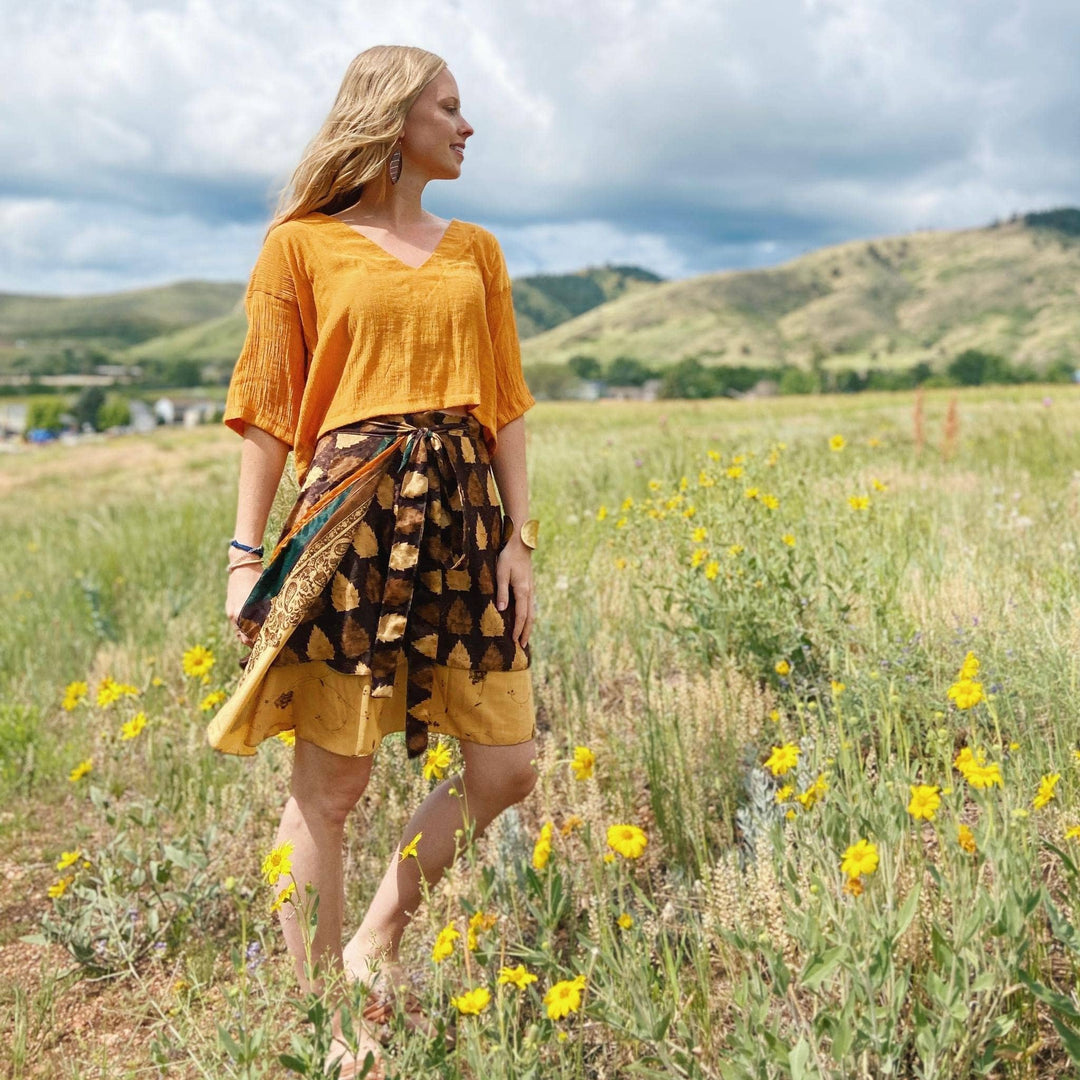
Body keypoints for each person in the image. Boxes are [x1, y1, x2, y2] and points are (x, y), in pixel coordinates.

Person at [205, 44, 542, 1078]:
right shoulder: (300, 248)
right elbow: (265, 412)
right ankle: (327, 1022)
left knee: (507, 764)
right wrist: (244, 554)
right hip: (349, 516)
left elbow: (507, 406)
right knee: (332, 784)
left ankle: (377, 935)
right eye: (450, 106)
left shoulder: (475, 249)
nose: (468, 123)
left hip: (465, 517)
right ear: (395, 120)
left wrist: (519, 539)